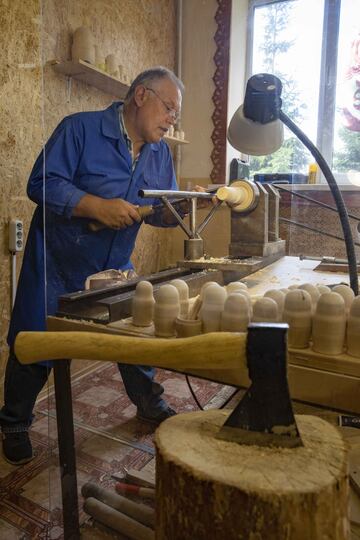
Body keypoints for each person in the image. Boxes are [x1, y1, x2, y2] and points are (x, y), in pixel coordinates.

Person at [0, 66, 188, 465]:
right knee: (35, 343)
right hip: (57, 261)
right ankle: (14, 422)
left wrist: (187, 206)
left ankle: (149, 403)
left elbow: (158, 211)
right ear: (141, 96)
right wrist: (95, 206)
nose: (173, 119)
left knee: (133, 336)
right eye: (169, 108)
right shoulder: (80, 130)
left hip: (113, 264)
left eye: (177, 113)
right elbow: (41, 182)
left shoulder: (159, 154)